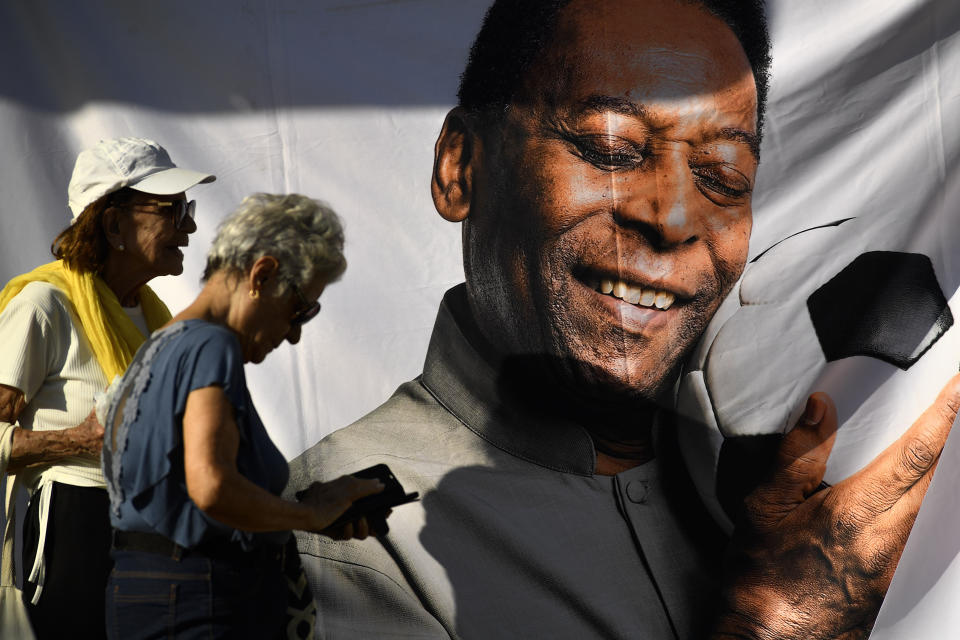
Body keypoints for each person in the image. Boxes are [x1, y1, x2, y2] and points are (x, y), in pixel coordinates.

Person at [286, 1, 960, 638]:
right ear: (461, 166)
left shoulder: (782, 473)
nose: (671, 218)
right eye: (611, 150)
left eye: (723, 178)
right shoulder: (329, 540)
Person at [100, 193, 385, 639]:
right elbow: (211, 486)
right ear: (263, 274)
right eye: (299, 310)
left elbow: (182, 493)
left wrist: (301, 510)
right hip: (202, 599)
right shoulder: (212, 346)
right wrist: (306, 516)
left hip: (153, 593)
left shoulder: (160, 346)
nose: (292, 335)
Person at [0, 137, 214, 638]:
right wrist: (75, 441)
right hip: (74, 531)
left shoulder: (151, 318)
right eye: (174, 210)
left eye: (188, 209)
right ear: (114, 224)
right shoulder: (44, 307)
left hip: (147, 533)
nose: (191, 226)